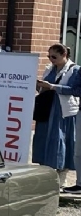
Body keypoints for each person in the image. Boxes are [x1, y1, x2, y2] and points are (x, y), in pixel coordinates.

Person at [32, 44, 78, 187]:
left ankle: (61, 175)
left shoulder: (74, 70)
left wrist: (52, 86)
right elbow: (42, 89)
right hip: (47, 107)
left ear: (64, 54)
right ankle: (46, 172)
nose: (51, 59)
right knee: (44, 137)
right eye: (49, 56)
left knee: (61, 139)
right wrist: (37, 85)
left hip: (63, 110)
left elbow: (73, 90)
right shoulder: (49, 69)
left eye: (54, 56)